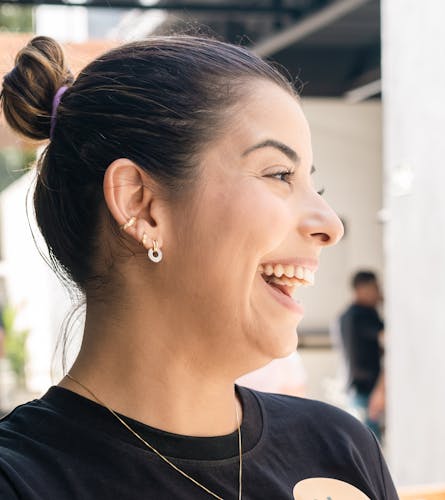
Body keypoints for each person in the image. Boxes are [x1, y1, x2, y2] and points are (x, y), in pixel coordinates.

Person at [0, 36, 398, 499]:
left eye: (316, 186)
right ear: (141, 205)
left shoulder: (339, 450)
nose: (330, 225)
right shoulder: (22, 482)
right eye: (280, 175)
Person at [338, 271, 386, 441]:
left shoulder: (344, 316)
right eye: (376, 288)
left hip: (354, 392)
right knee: (372, 450)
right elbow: (389, 339)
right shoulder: (363, 314)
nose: (379, 292)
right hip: (368, 394)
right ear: (362, 289)